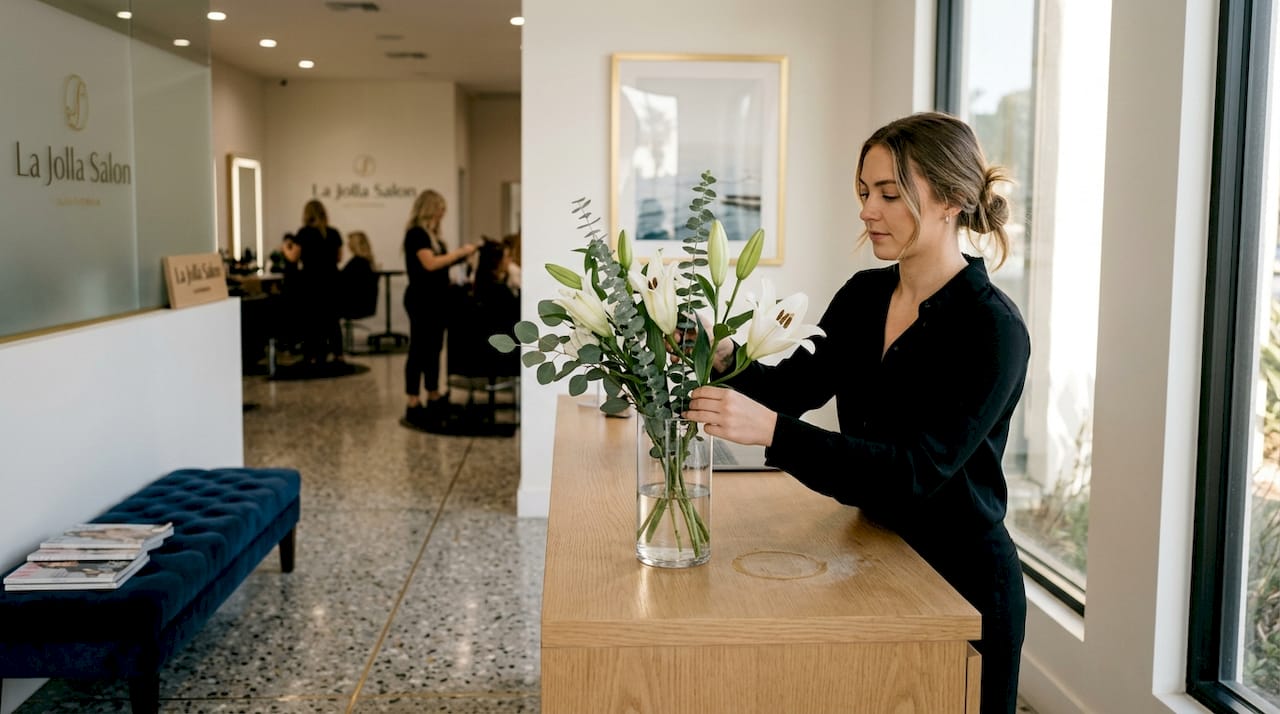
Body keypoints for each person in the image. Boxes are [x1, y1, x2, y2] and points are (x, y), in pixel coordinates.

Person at [684, 111, 1031, 714]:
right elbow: (794, 387)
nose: (868, 210)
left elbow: (913, 473)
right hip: (873, 552)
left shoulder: (994, 331)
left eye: (890, 194)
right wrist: (721, 358)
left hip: (963, 585)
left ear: (951, 200)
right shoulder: (864, 296)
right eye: (865, 193)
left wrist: (773, 434)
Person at [402, 189, 477, 426]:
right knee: (419, 349)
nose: (441, 217)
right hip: (420, 300)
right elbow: (430, 264)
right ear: (430, 210)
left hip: (437, 300)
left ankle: (433, 394)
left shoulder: (435, 239)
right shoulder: (416, 235)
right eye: (439, 211)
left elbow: (441, 269)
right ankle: (413, 399)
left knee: (434, 348)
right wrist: (459, 253)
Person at [290, 199, 345, 365]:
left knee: (312, 320)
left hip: (311, 282)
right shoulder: (333, 233)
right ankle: (338, 354)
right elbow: (339, 257)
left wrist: (285, 249)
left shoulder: (303, 233)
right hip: (331, 281)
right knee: (332, 320)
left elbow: (293, 257)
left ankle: (312, 355)